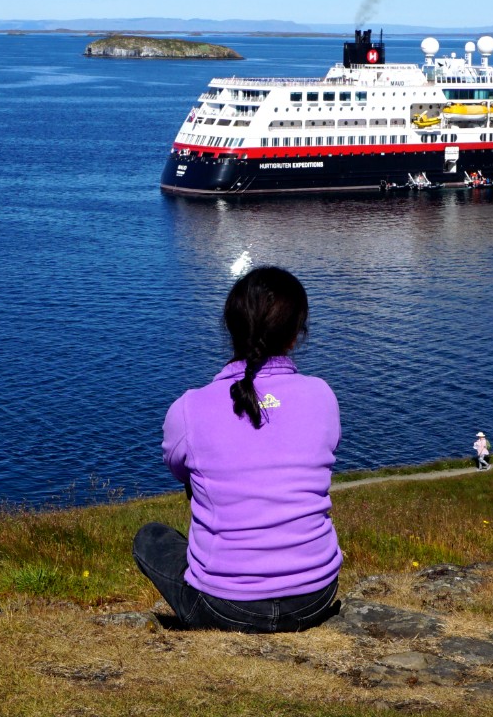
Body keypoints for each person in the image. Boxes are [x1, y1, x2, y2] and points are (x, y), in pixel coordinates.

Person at [132, 266, 342, 633]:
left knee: (150, 537)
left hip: (226, 608)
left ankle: (226, 568)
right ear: (296, 335)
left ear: (230, 328)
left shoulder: (190, 408)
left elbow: (178, 470)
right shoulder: (322, 396)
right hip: (315, 598)